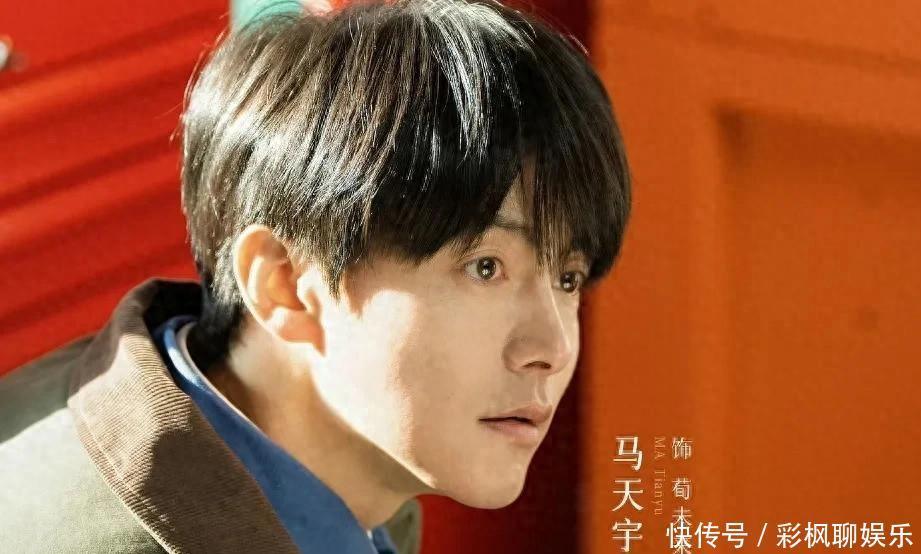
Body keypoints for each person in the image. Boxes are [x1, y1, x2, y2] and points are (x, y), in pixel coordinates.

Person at [0, 0, 631, 552]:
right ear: (284, 283)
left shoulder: (350, 469)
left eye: (568, 278)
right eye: (485, 267)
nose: (552, 349)